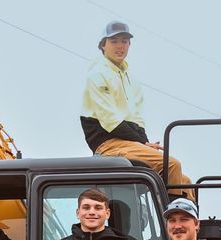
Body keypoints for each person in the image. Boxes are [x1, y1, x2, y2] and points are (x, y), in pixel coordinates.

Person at [81, 21, 195, 202]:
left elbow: (136, 118)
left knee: (185, 181)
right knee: (172, 164)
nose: (120, 46)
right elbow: (110, 121)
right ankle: (172, 223)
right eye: (114, 41)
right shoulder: (97, 74)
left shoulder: (129, 78)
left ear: (129, 45)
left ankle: (190, 223)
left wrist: (145, 142)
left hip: (127, 142)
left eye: (124, 41)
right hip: (109, 144)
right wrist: (142, 141)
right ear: (103, 45)